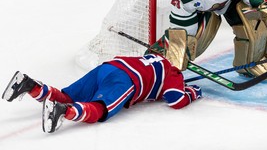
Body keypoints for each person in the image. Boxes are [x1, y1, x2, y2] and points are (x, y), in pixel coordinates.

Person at [2, 54, 202, 133]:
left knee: (68, 95)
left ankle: (30, 85)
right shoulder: (174, 73)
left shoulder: (155, 57)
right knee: (101, 109)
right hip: (125, 80)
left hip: (108, 67)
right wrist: (193, 91)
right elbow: (176, 100)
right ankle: (63, 111)